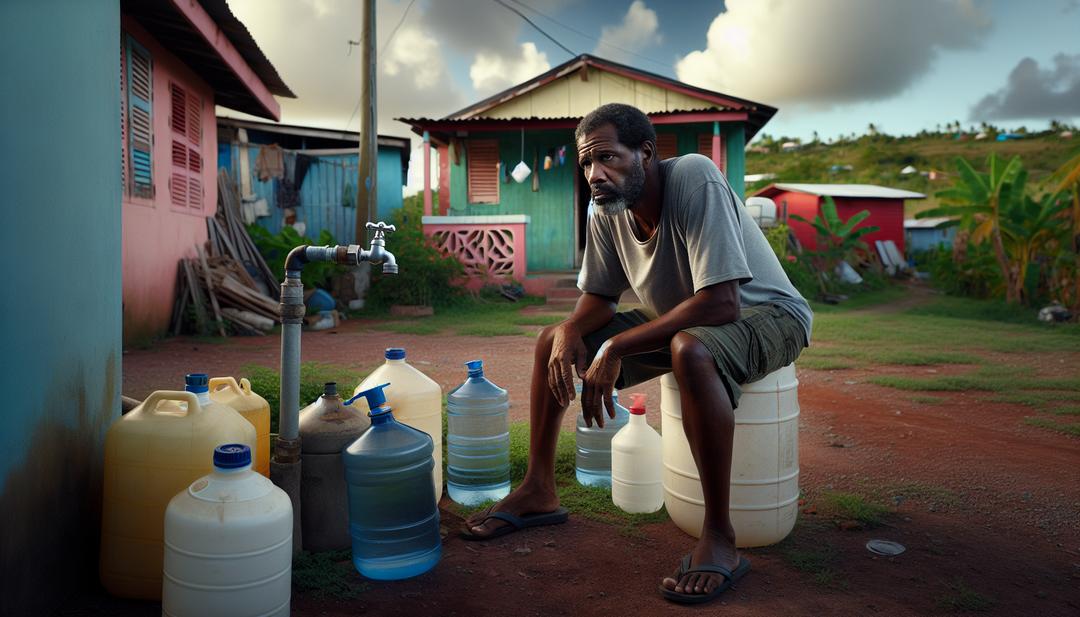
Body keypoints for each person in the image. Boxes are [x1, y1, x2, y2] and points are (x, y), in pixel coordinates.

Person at [462, 103, 813, 605]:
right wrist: (570, 333)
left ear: (645, 153)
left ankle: (719, 537)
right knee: (552, 341)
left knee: (690, 351)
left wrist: (616, 345)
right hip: (686, 317)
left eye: (607, 157)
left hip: (768, 315)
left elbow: (721, 301)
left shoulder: (694, 177)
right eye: (586, 164)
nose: (594, 174)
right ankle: (539, 490)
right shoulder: (605, 208)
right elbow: (600, 298)